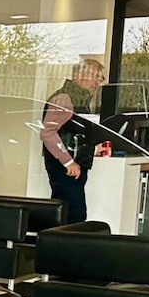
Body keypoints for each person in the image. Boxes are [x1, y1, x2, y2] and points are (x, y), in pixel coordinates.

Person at [40, 59, 104, 224]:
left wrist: (92, 150)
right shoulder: (65, 98)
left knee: (67, 214)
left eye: (100, 78)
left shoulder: (77, 99)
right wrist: (68, 162)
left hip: (70, 166)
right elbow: (48, 132)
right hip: (66, 168)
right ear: (77, 75)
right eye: (94, 76)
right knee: (72, 217)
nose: (97, 82)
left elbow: (71, 133)